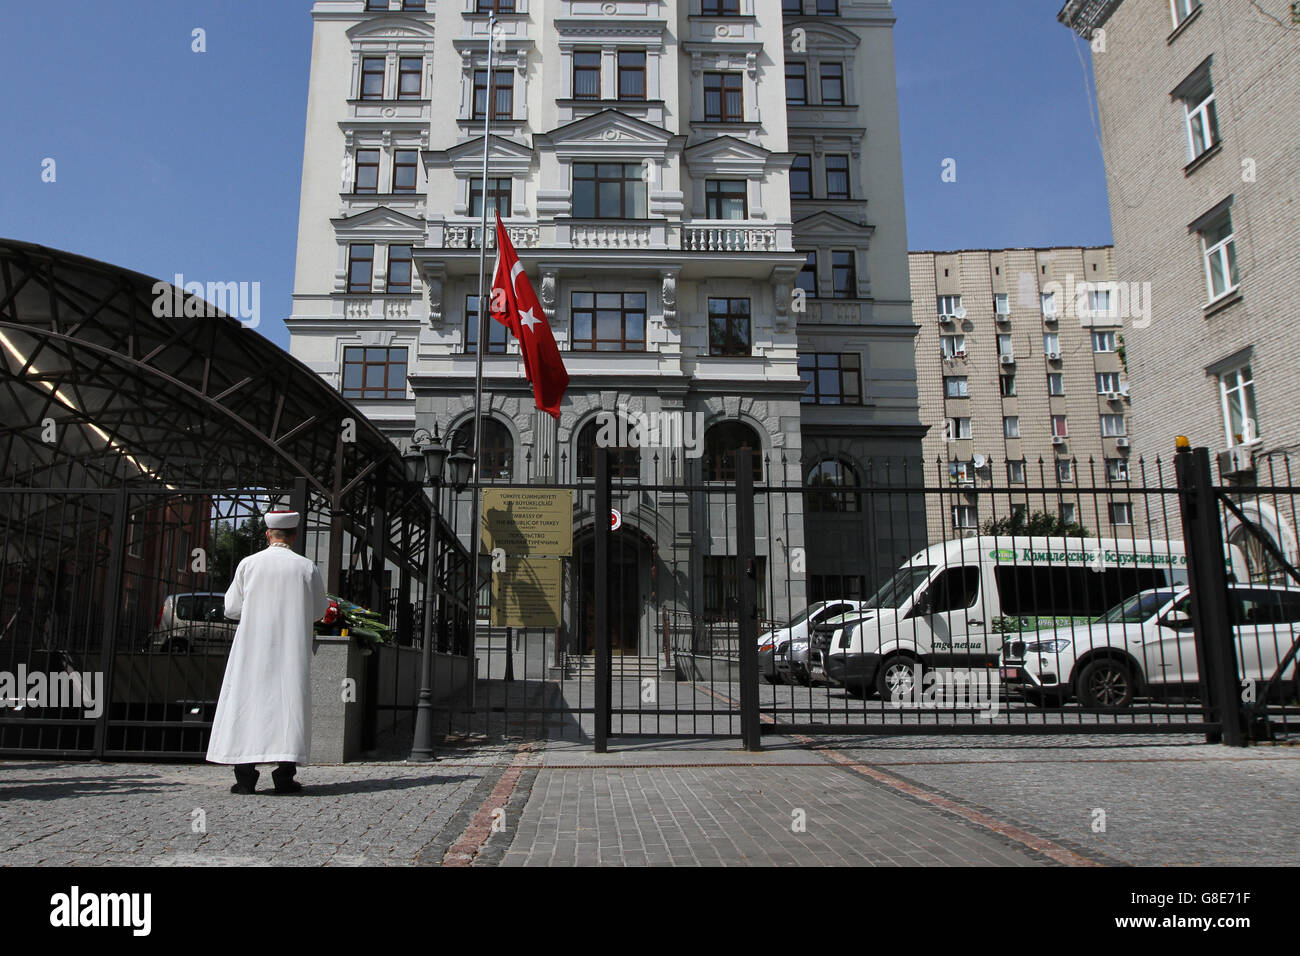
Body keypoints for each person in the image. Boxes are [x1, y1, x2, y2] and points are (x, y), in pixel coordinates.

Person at [206, 510, 329, 794]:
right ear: (294, 535)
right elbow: (319, 611)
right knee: (289, 705)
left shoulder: (249, 564)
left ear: (267, 535)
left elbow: (231, 608)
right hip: (290, 649)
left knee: (248, 703)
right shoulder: (306, 567)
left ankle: (245, 777)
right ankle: (285, 776)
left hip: (253, 649)